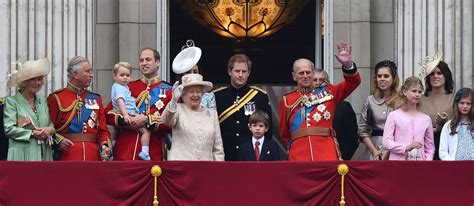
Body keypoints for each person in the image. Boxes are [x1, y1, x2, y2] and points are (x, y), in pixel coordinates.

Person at [279, 42, 361, 161]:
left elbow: (353, 83)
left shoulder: (329, 92)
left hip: (326, 153)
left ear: (313, 73)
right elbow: (284, 134)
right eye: (301, 73)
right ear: (294, 76)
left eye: (308, 72)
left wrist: (347, 65)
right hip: (299, 154)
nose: (306, 76)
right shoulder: (286, 100)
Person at [105, 48, 173, 161]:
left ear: (157, 62)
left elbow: (172, 123)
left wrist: (147, 119)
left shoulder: (169, 91)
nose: (144, 63)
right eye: (141, 60)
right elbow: (108, 114)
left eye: (148, 60)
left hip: (153, 153)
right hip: (125, 151)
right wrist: (127, 121)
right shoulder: (128, 87)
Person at [47, 56, 112, 161]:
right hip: (67, 156)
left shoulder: (95, 98)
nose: (91, 75)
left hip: (93, 156)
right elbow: (48, 128)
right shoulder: (56, 98)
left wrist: (105, 146)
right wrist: (58, 141)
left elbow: (103, 130)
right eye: (87, 71)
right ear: (75, 74)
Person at [214, 54, 272, 161]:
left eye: (244, 71)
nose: (241, 75)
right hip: (225, 153)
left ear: (248, 73)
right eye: (237, 71)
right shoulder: (217, 96)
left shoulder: (260, 96)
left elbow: (268, 129)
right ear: (229, 72)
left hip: (251, 154)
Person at [162, 73, 224, 161]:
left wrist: (219, 169)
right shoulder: (178, 109)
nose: (195, 95)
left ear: (202, 94)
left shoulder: (212, 114)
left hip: (206, 168)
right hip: (181, 167)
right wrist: (173, 100)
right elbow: (166, 121)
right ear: (184, 94)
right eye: (191, 92)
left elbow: (218, 148)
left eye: (198, 91)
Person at [4, 58, 55, 161]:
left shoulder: (43, 100)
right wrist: (32, 133)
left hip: (44, 154)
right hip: (21, 155)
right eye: (33, 79)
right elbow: (9, 129)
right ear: (24, 82)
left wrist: (50, 130)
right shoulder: (12, 102)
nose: (37, 83)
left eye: (39, 79)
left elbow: (50, 124)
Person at [358, 60, 402, 160]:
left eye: (386, 76)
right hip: (374, 148)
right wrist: (374, 151)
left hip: (397, 148)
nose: (382, 79)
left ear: (394, 78)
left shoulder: (402, 100)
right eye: (379, 76)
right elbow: (362, 130)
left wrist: (389, 150)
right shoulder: (370, 101)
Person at [382, 77, 435, 160]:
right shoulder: (394, 115)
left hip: (420, 165)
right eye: (414, 91)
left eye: (420, 92)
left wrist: (427, 162)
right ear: (404, 92)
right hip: (398, 163)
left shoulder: (426, 119)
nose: (417, 94)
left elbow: (430, 147)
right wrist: (405, 148)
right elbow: (386, 142)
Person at [313, 69, 359, 160]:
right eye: (314, 80)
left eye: (321, 80)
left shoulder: (343, 107)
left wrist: (341, 158)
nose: (317, 83)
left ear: (328, 83)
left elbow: (352, 138)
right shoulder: (303, 107)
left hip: (336, 158)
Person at [418, 50, 455, 160]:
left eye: (439, 73)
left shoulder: (455, 98)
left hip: (448, 144)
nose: (435, 76)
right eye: (432, 74)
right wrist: (436, 129)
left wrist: (446, 124)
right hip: (424, 144)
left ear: (446, 76)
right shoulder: (420, 99)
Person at [110, 62, 151, 160]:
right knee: (146, 131)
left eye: (127, 75)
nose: (125, 78)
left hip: (125, 113)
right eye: (122, 75)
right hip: (129, 114)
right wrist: (125, 115)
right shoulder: (121, 88)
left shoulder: (122, 86)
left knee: (116, 129)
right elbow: (119, 102)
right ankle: (145, 152)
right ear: (114, 76)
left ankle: (113, 147)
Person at [439, 88, 473, 160]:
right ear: (456, 104)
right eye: (462, 103)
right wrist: (453, 163)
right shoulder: (449, 125)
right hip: (455, 167)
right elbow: (442, 151)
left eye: (468, 103)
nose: (465, 106)